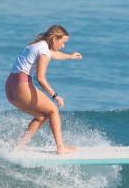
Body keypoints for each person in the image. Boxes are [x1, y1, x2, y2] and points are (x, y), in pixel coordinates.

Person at [6, 25, 82, 154]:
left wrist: (70, 56)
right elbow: (40, 78)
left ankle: (18, 147)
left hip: (10, 87)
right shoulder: (44, 51)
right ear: (54, 39)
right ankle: (60, 147)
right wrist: (55, 95)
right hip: (22, 85)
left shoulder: (36, 45)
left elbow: (54, 54)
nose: (63, 46)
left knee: (41, 116)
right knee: (53, 110)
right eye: (63, 42)